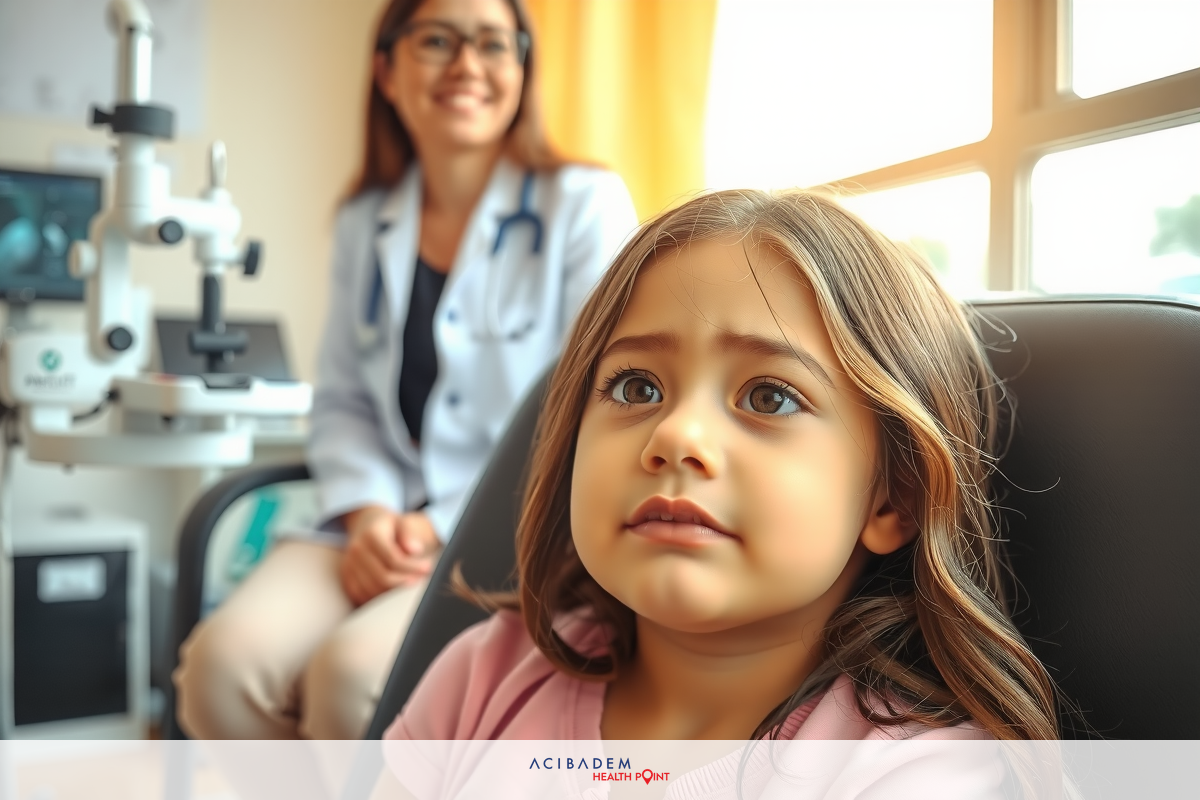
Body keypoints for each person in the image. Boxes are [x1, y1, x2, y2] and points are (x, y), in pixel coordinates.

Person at [383, 189, 1063, 791]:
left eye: (768, 396)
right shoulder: (483, 674)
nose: (675, 436)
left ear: (896, 498)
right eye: (635, 387)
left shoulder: (918, 778)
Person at [173, 0, 637, 739]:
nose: (467, 65)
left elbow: (594, 408)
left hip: (512, 531)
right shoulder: (368, 219)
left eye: (494, 43)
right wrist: (368, 517)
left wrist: (438, 530)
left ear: (522, 68)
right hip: (375, 521)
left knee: (354, 677)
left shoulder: (583, 205)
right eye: (438, 40)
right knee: (220, 669)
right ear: (387, 70)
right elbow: (345, 402)